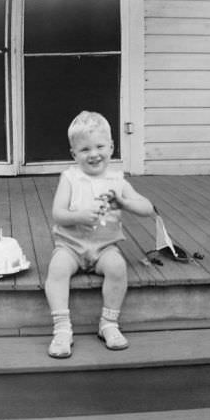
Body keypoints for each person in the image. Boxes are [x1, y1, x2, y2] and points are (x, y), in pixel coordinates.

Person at [45, 111, 155, 359]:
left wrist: (125, 203)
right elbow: (58, 214)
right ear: (74, 154)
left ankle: (109, 323)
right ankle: (62, 328)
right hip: (71, 246)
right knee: (57, 269)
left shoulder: (118, 181)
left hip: (104, 247)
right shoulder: (70, 178)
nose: (93, 154)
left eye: (100, 146)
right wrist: (79, 216)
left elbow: (147, 208)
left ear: (112, 147)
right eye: (84, 149)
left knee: (117, 267)